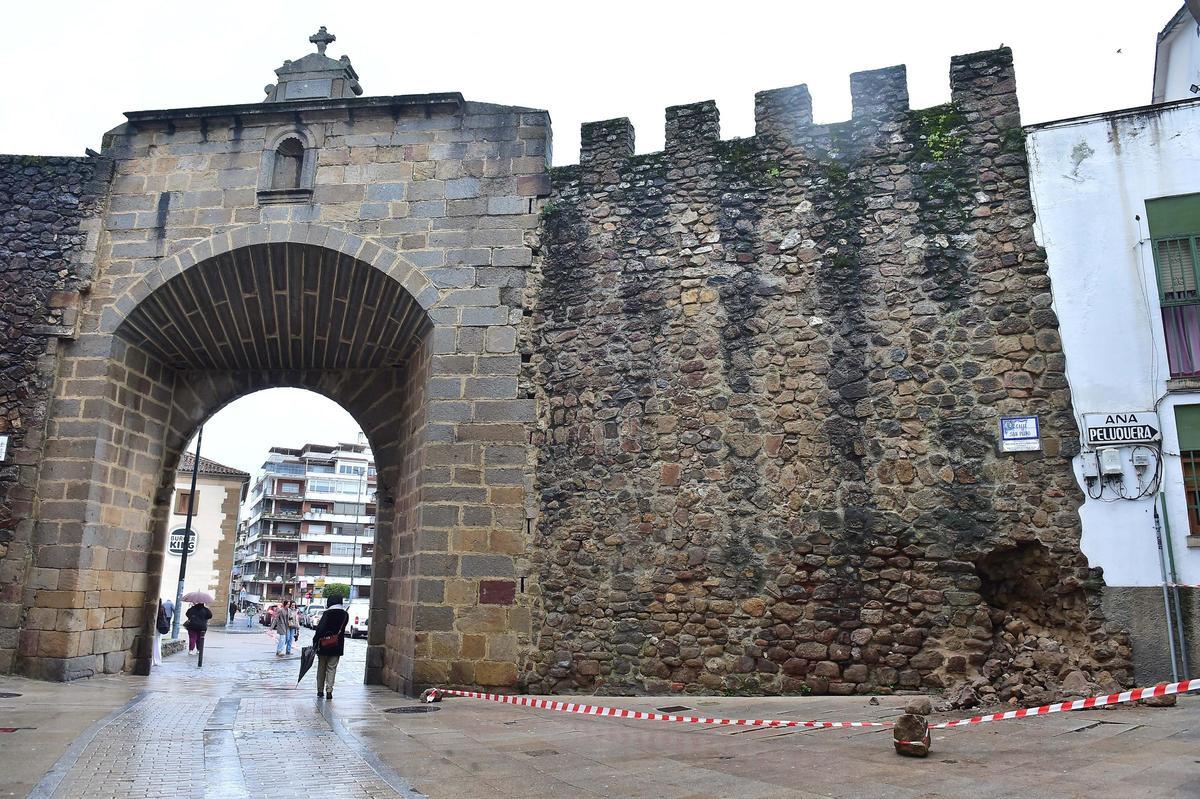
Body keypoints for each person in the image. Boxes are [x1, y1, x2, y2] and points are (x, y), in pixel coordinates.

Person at [312, 597, 349, 700]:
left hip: (324, 645)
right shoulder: (345, 614)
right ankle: (329, 690)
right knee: (332, 668)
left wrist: (315, 640)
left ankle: (320, 690)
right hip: (337, 645)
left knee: (321, 668)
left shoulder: (327, 613)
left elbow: (320, 629)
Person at [152, 598, 173, 667]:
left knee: (155, 643)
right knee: (157, 643)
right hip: (159, 627)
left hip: (156, 627)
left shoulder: (158, 608)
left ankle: (154, 660)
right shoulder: (162, 608)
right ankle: (157, 659)